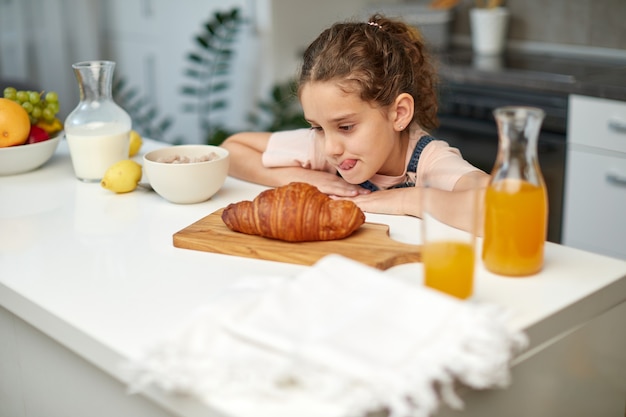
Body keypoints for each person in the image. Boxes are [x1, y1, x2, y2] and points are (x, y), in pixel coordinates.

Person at [221, 14, 489, 232]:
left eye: (346, 127)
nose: (330, 149)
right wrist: (297, 176)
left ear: (399, 113)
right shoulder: (327, 145)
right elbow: (231, 150)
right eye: (317, 127)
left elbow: (501, 206)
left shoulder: (430, 161)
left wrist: (409, 199)